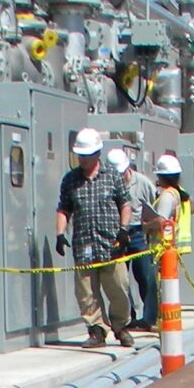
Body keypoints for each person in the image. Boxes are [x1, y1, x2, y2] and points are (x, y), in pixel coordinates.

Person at [57, 127, 132, 347]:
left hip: (111, 244)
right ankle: (96, 330)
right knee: (86, 293)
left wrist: (124, 229)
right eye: (80, 155)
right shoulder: (70, 180)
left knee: (118, 287)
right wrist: (60, 233)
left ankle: (121, 327)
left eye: (87, 156)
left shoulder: (112, 177)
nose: (83, 160)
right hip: (84, 244)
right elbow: (64, 208)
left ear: (97, 154)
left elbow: (125, 204)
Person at [106, 147, 159, 331]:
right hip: (118, 233)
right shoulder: (109, 183)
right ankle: (128, 318)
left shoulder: (143, 183)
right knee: (121, 280)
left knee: (145, 276)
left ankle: (150, 317)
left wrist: (151, 225)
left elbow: (157, 205)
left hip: (138, 232)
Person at [150, 154, 193, 261]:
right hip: (172, 245)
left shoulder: (167, 196)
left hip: (163, 247)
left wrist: (146, 225)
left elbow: (161, 221)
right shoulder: (179, 192)